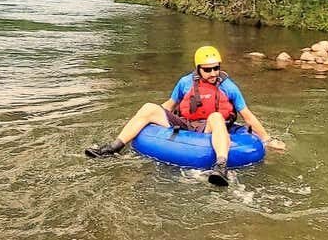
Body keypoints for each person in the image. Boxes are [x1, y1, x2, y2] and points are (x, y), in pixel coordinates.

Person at [84, 45, 286, 186]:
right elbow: (169, 105)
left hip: (209, 127)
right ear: (198, 69)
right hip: (186, 123)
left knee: (216, 116)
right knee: (148, 107)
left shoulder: (228, 87)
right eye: (208, 69)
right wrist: (148, 119)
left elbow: (247, 115)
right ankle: (113, 148)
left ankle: (221, 166)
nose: (213, 73)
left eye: (216, 68)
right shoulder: (185, 82)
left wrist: (267, 140)